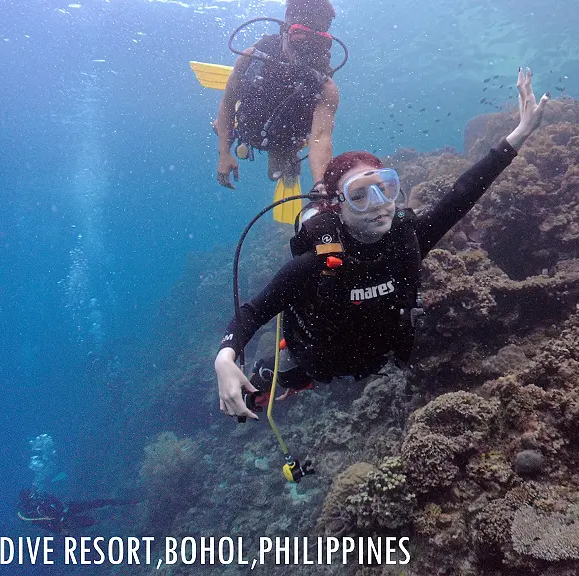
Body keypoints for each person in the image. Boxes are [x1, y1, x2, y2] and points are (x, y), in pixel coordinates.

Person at [215, 68, 549, 421]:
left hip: (380, 354)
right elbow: (252, 312)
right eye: (359, 195)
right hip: (320, 361)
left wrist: (520, 133)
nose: (378, 203)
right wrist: (225, 356)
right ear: (337, 205)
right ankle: (273, 374)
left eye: (385, 187)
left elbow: (464, 193)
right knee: (297, 375)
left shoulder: (409, 240)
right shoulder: (317, 263)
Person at [213, 0, 340, 208]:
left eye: (318, 41)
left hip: (286, 140)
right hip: (247, 122)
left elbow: (321, 137)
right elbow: (227, 104)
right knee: (223, 122)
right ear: (284, 28)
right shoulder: (252, 57)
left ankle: (289, 158)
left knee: (276, 174)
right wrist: (224, 153)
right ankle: (224, 128)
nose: (306, 49)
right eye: (300, 35)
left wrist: (321, 183)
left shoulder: (325, 86)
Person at [16, 489, 132, 535]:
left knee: (94, 503)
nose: (36, 497)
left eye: (35, 494)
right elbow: (46, 525)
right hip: (64, 521)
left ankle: (122, 502)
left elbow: (55, 499)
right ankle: (120, 522)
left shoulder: (42, 496)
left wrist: (62, 507)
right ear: (27, 501)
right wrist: (61, 530)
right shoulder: (32, 514)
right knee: (91, 521)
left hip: (66, 508)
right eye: (32, 497)